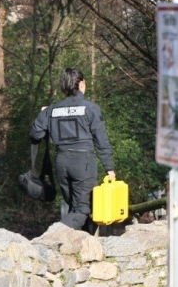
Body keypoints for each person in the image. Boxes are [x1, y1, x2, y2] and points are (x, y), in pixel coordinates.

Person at [28, 68, 116, 230]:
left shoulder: (52, 109)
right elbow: (101, 140)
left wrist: (46, 116)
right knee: (83, 209)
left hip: (62, 163)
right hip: (83, 163)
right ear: (82, 83)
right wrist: (109, 168)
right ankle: (54, 235)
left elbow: (35, 134)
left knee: (74, 207)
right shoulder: (90, 108)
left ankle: (81, 247)